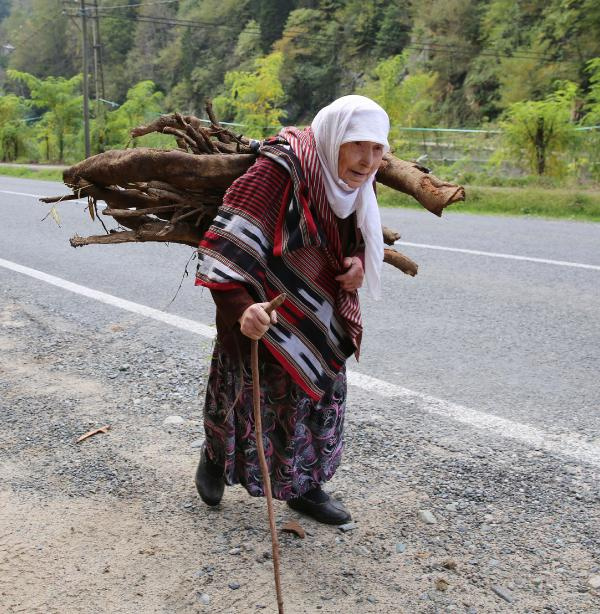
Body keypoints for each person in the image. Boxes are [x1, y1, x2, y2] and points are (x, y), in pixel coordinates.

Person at [194, 95, 389, 524]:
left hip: (320, 315)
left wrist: (356, 264)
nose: (367, 160)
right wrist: (242, 309)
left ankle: (305, 485)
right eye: (358, 145)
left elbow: (353, 236)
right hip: (261, 311)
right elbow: (224, 250)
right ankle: (215, 459)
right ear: (334, 137)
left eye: (378, 149)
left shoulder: (359, 180)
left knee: (317, 399)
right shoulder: (277, 172)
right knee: (243, 397)